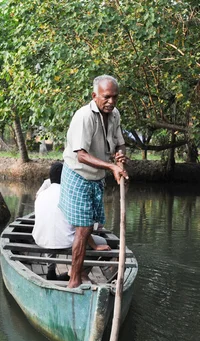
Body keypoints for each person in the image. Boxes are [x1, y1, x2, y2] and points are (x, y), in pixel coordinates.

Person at [59, 75, 129, 288]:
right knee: (83, 226)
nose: (111, 102)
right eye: (107, 97)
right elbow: (81, 155)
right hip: (78, 174)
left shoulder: (114, 114)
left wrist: (120, 156)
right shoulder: (84, 117)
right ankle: (74, 279)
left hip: (97, 176)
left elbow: (120, 143)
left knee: (91, 223)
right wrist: (111, 166)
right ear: (94, 96)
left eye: (115, 97)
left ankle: (90, 248)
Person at [32, 162, 110, 280]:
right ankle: (76, 271)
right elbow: (82, 227)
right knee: (102, 242)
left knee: (52, 230)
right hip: (65, 242)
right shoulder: (71, 195)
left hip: (40, 239)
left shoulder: (41, 194)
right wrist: (94, 246)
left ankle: (51, 270)